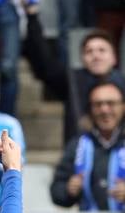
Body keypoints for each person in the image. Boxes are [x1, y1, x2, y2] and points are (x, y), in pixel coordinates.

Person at [50, 80, 125, 213]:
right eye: (98, 104)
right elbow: (56, 190)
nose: (105, 110)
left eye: (111, 103)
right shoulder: (78, 145)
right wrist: (69, 190)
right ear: (91, 109)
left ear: (123, 106)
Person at [22, 10, 125, 142]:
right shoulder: (72, 81)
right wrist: (32, 17)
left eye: (102, 50)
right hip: (78, 156)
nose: (96, 55)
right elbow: (43, 63)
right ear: (82, 59)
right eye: (89, 51)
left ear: (114, 58)